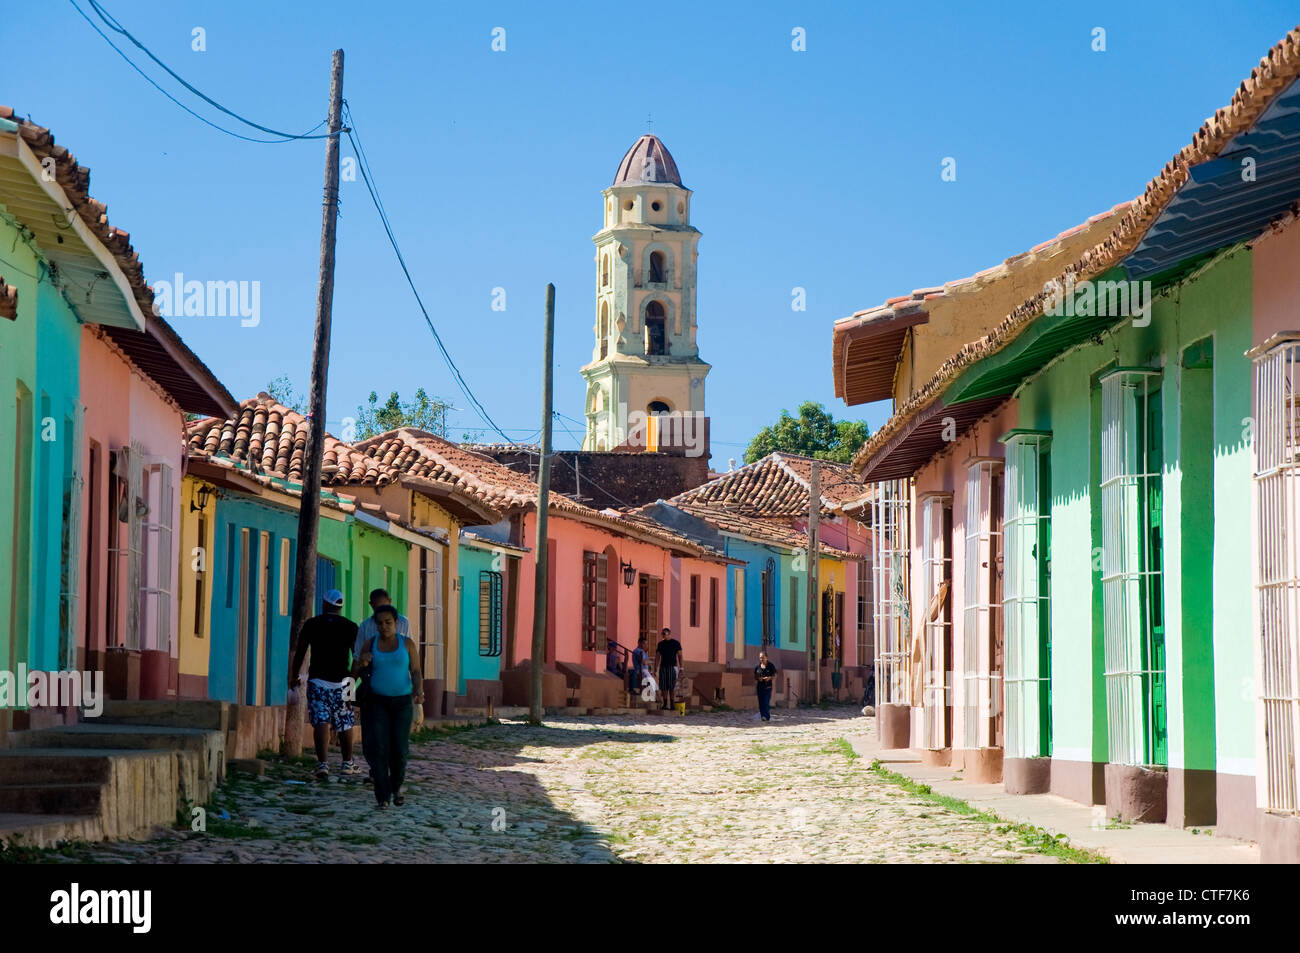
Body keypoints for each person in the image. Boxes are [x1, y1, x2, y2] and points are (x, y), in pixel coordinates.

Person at [353, 605, 423, 809]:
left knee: (400, 750)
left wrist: (419, 691)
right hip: (377, 703)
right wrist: (362, 663)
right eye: (380, 623)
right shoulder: (370, 643)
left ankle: (396, 787)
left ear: (396, 623)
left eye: (388, 623)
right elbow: (356, 669)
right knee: (379, 749)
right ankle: (382, 797)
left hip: (402, 703)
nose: (384, 627)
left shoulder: (407, 644)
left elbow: (416, 671)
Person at [289, 589, 361, 780]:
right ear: (340, 607)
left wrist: (293, 675)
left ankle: (322, 764)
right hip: (344, 681)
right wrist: (352, 681)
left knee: (321, 720)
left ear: (323, 604)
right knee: (346, 722)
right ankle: (347, 763)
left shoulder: (312, 624)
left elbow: (301, 651)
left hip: (317, 679)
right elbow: (357, 657)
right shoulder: (351, 627)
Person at [353, 588, 412, 784]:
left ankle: (391, 773)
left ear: (391, 602)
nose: (383, 624)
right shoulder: (365, 627)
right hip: (373, 687)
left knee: (396, 736)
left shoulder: (403, 623)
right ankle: (377, 769)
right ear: (371, 606)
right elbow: (356, 659)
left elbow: (410, 658)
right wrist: (349, 689)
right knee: (373, 734)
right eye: (377, 607)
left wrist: (416, 689)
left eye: (385, 606)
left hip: (398, 689)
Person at [655, 627, 683, 711]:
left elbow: (680, 655)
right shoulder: (660, 644)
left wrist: (681, 668)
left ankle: (672, 704)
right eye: (662, 634)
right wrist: (655, 668)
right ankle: (665, 703)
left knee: (672, 686)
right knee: (663, 686)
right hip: (663, 667)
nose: (663, 635)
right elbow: (657, 657)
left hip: (672, 666)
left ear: (669, 634)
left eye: (664, 634)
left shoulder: (675, 643)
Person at [754, 651, 777, 723]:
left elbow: (775, 675)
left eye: (763, 657)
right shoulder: (757, 667)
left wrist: (769, 678)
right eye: (760, 658)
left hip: (768, 687)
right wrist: (759, 678)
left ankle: (766, 716)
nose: (761, 659)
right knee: (761, 703)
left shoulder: (771, 666)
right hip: (760, 687)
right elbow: (755, 676)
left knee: (766, 702)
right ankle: (763, 716)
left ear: (766, 657)